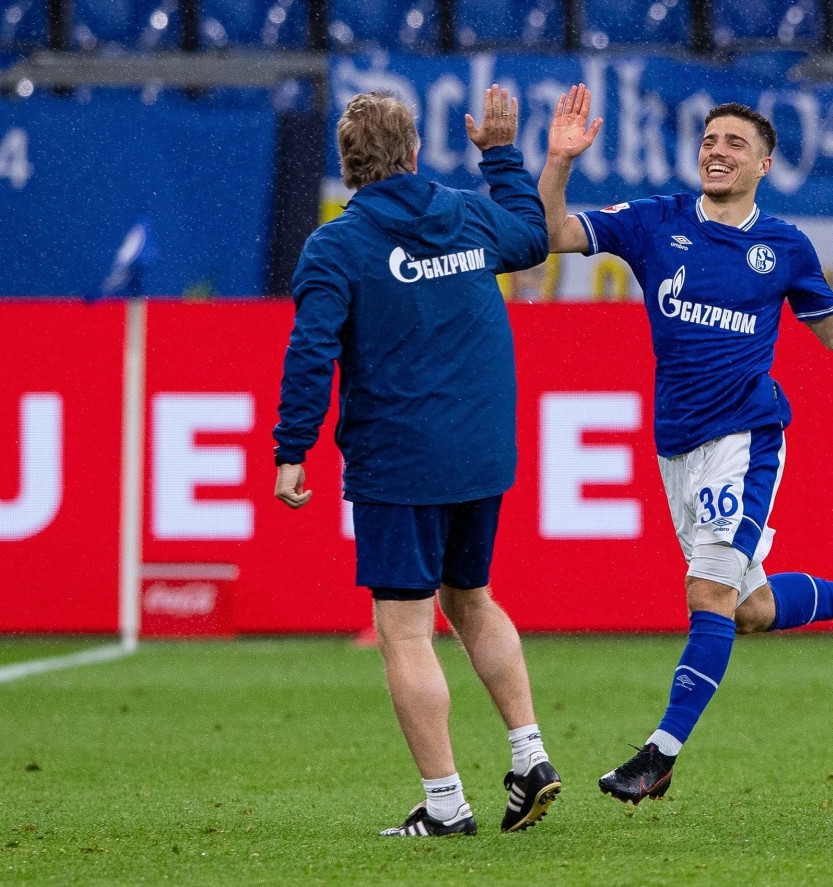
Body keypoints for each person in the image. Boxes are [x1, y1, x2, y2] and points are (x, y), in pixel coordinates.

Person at [538, 84, 833, 805]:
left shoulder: (782, 246)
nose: (717, 151)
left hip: (745, 439)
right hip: (676, 446)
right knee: (745, 608)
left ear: (765, 165)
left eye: (734, 143)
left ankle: (659, 754)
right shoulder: (655, 222)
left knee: (708, 592)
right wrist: (559, 161)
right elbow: (554, 233)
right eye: (710, 140)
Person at [273, 87, 561, 837]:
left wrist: (290, 447)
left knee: (404, 628)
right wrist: (500, 155)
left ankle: (445, 804)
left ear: (348, 165)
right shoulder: (466, 212)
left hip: (401, 457)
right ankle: (530, 755)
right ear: (412, 153)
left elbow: (311, 351)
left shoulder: (337, 244)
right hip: (480, 448)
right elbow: (534, 237)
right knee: (472, 597)